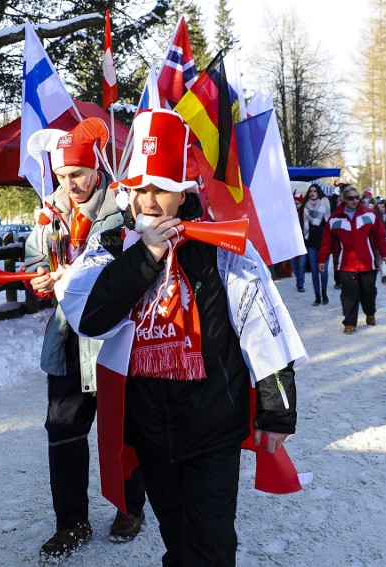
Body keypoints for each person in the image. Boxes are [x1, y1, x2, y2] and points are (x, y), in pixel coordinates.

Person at [55, 108, 306, 567]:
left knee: (210, 548)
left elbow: (265, 328)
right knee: (177, 542)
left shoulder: (222, 246)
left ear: (182, 192)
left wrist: (276, 412)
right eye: (137, 188)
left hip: (213, 430)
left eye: (160, 189)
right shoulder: (110, 247)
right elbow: (87, 316)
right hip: (149, 432)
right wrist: (146, 257)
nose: (147, 201)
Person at [23, 118, 147, 560]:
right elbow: (35, 260)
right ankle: (71, 522)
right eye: (61, 176)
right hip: (66, 341)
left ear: (95, 167)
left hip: (115, 340)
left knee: (125, 428)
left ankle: (130, 507)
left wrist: (74, 277)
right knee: (63, 430)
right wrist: (37, 279)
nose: (69, 184)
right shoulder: (49, 212)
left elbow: (130, 269)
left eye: (76, 174)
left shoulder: (123, 209)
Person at [319, 184, 386, 334]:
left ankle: (370, 313)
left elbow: (381, 236)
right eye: (351, 198)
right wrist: (322, 259)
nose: (354, 201)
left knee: (369, 291)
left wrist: (385, 255)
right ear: (343, 199)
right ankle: (350, 323)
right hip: (345, 264)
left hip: (368, 262)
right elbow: (327, 242)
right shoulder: (334, 219)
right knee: (349, 294)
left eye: (357, 198)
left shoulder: (370, 214)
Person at [302, 183, 331, 305]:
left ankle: (324, 293)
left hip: (324, 241)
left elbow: (330, 222)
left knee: (323, 270)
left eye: (314, 191)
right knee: (314, 270)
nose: (312, 193)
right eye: (310, 191)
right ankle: (317, 296)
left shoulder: (325, 202)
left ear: (318, 192)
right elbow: (303, 225)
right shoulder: (305, 206)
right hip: (311, 241)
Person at [292, 193, 307, 293]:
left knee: (301, 264)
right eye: (294, 203)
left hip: (302, 244)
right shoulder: (289, 214)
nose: (296, 205)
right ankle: (298, 280)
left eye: (297, 203)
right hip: (292, 244)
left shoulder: (305, 214)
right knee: (294, 265)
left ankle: (300, 284)